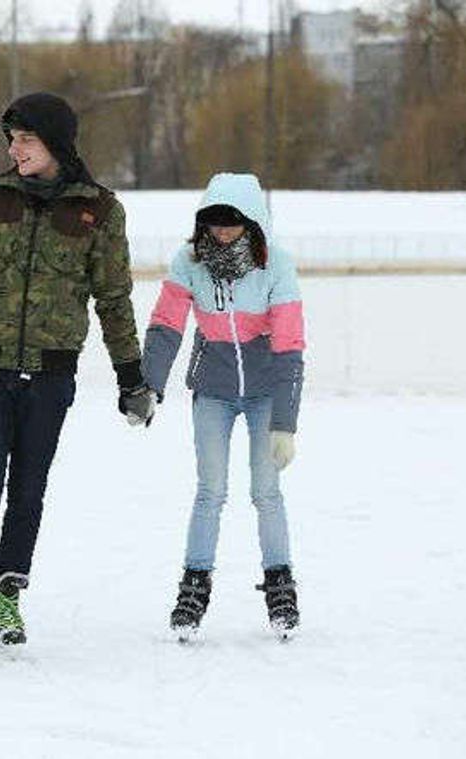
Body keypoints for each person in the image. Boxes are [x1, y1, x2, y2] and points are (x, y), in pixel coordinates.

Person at [0, 92, 156, 653]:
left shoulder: (99, 209)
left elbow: (114, 298)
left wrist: (131, 376)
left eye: (25, 138)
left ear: (55, 141)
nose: (14, 148)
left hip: (52, 374)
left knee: (28, 489)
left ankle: (8, 590)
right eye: (11, 138)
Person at [140, 172, 305, 641]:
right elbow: (166, 324)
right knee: (210, 490)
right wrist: (150, 386)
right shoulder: (189, 261)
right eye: (215, 221)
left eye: (233, 222)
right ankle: (194, 587)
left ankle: (280, 585)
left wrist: (284, 424)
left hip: (264, 392)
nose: (224, 231)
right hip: (211, 391)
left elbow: (290, 345)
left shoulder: (277, 266)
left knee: (266, 492)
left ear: (252, 222)